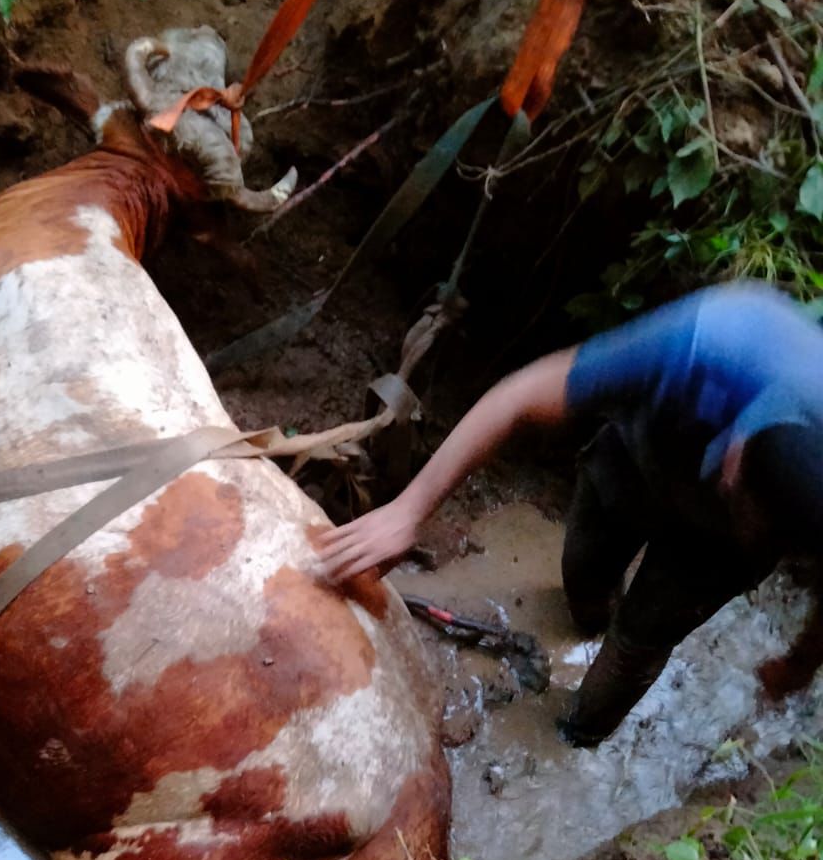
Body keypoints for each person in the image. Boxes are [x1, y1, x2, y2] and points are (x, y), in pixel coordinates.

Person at [320, 282, 823, 747]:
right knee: (584, 572)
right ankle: (592, 617)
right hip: (642, 453)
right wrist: (408, 512)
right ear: (736, 457)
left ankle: (575, 739)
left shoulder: (781, 524)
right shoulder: (712, 345)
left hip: (716, 553)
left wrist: (800, 662)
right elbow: (518, 396)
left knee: (637, 647)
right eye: (743, 504)